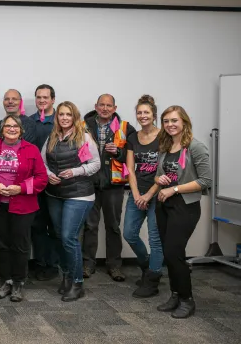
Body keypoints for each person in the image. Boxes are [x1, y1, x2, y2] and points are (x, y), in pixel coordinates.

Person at [0, 114, 47, 302]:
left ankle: (18, 283)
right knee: (1, 244)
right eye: (8, 126)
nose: (12, 129)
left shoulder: (31, 150)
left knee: (20, 245)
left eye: (15, 126)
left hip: (23, 205)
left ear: (21, 130)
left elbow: (41, 179)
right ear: (2, 129)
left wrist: (20, 188)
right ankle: (5, 280)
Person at [153, 106, 211, 319]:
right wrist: (159, 180)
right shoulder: (166, 145)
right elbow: (158, 176)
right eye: (166, 121)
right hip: (164, 204)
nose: (170, 124)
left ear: (184, 122)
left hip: (185, 206)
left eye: (174, 120)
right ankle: (176, 294)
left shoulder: (196, 147)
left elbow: (205, 181)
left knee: (173, 252)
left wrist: (174, 188)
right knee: (169, 254)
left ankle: (187, 299)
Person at [41, 101, 100, 302]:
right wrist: (48, 174)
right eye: (61, 115)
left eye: (68, 114)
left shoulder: (84, 137)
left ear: (75, 117)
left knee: (69, 237)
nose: (64, 118)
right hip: (55, 194)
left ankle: (77, 282)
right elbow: (42, 162)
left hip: (79, 194)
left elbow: (95, 164)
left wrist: (75, 171)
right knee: (58, 236)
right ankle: (66, 275)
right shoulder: (52, 137)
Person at [81, 94, 136, 281]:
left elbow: (133, 156)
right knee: (89, 226)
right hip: (89, 184)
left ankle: (114, 266)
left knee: (113, 226)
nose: (105, 108)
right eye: (102, 105)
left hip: (114, 185)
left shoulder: (126, 128)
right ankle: (87, 265)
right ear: (96, 106)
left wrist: (119, 153)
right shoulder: (83, 126)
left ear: (114, 108)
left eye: (109, 105)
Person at [124, 95, 163, 298]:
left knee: (155, 240)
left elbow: (165, 169)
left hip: (158, 194)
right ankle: (148, 267)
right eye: (139, 112)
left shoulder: (163, 136)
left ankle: (152, 281)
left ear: (154, 115)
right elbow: (130, 169)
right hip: (137, 193)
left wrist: (149, 194)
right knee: (129, 233)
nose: (142, 115)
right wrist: (137, 193)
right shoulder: (133, 138)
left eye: (146, 112)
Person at [29, 84, 60, 281]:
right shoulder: (30, 122)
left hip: (57, 182)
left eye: (45, 97)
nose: (42, 100)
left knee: (56, 226)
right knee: (37, 225)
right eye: (38, 97)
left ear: (53, 99)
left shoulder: (62, 120)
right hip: (34, 182)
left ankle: (54, 264)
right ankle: (40, 263)